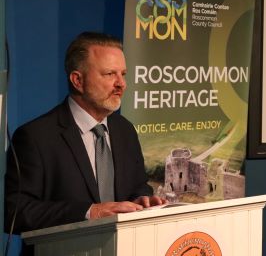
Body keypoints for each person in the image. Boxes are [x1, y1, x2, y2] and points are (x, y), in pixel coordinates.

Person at [4, 31, 165, 246]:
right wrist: (89, 212)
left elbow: (138, 186)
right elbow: (15, 211)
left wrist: (141, 201)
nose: (121, 84)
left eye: (123, 74)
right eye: (109, 74)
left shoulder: (125, 130)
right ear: (78, 80)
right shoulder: (35, 137)